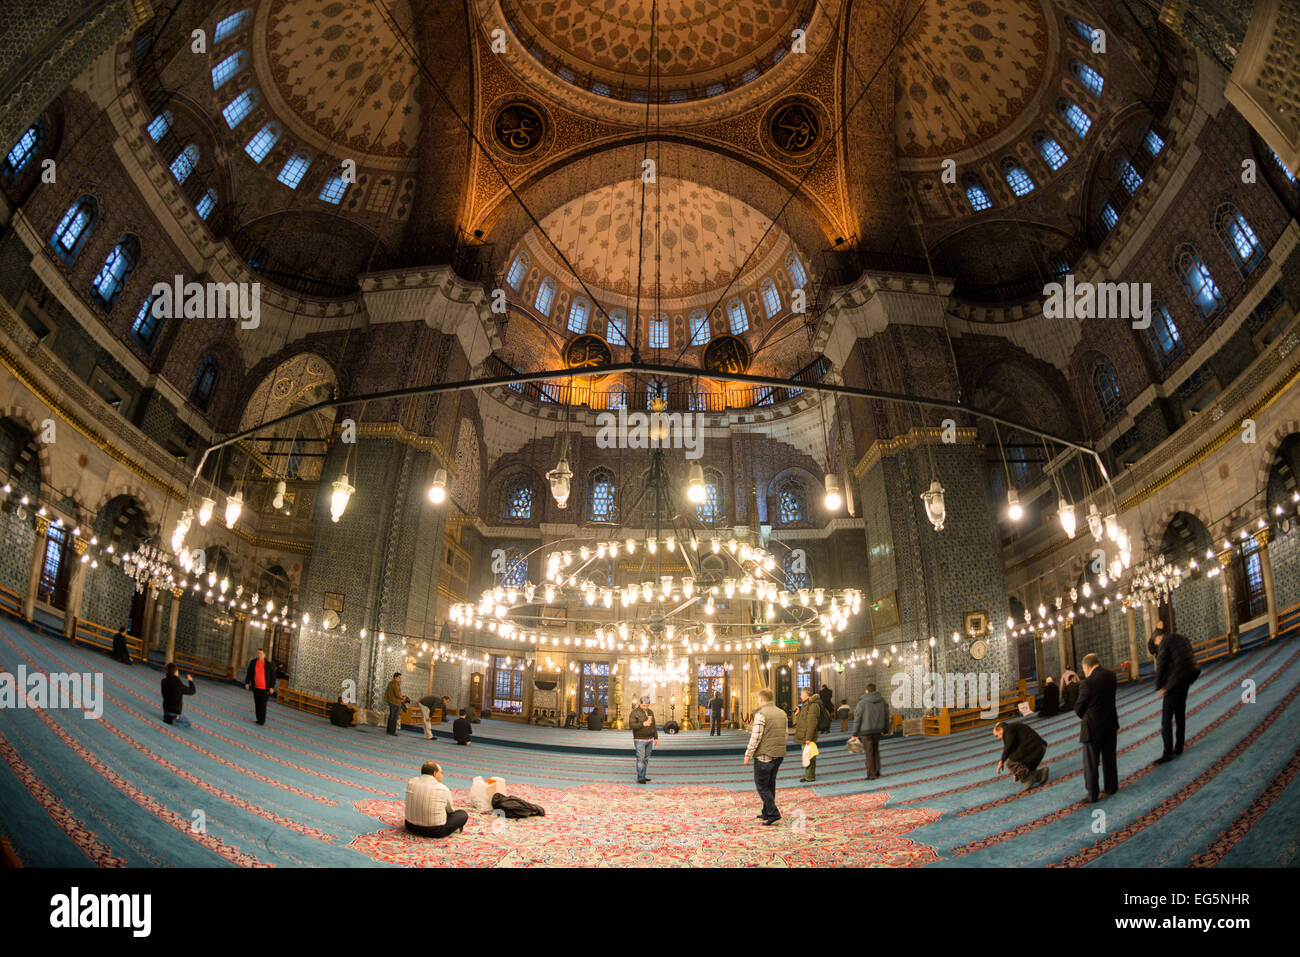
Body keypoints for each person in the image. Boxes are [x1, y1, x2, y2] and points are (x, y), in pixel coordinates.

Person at [1150, 619, 1200, 765]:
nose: (1157, 647)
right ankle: (1179, 747)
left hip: (1174, 684)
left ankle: (1167, 754)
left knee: (1166, 720)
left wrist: (1159, 686)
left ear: (1158, 638)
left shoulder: (1164, 642)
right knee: (1180, 714)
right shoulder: (1182, 638)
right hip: (1186, 679)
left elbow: (1161, 665)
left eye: (1156, 644)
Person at [1075, 653, 1119, 803]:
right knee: (1109, 758)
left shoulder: (1088, 682)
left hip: (1092, 728)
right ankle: (1111, 787)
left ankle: (1092, 795)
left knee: (1091, 763)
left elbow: (1078, 708)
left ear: (1087, 666)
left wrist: (1089, 715)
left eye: (1084, 669)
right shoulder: (1111, 675)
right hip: (1110, 724)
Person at [743, 688, 788, 825]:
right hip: (778, 755)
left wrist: (748, 754)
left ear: (761, 699)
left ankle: (773, 813)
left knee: (762, 785)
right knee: (770, 784)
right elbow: (785, 734)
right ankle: (766, 812)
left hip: (764, 755)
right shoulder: (782, 713)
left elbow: (755, 736)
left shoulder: (761, 714)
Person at [404, 761, 468, 839]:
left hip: (410, 826)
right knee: (462, 814)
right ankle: (454, 829)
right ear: (435, 773)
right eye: (441, 773)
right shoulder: (443, 789)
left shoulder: (411, 782)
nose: (442, 775)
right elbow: (450, 811)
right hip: (435, 831)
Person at [849, 683, 891, 780]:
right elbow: (886, 716)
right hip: (878, 731)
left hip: (866, 731)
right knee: (875, 751)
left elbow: (857, 719)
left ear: (867, 690)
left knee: (869, 753)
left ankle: (871, 774)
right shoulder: (882, 701)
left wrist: (855, 733)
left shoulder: (862, 703)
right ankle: (877, 771)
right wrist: (886, 729)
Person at [993, 720, 1049, 791]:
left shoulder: (1008, 729)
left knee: (1010, 763)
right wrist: (1017, 773)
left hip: (1033, 749)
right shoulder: (1014, 728)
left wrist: (1002, 760)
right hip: (1040, 748)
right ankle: (1041, 773)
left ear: (1001, 729)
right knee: (1022, 768)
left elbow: (1008, 747)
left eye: (997, 735)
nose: (998, 738)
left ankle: (1028, 779)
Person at [793, 687, 823, 782]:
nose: (800, 695)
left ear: (807, 694)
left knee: (809, 756)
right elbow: (805, 720)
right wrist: (798, 713)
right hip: (805, 735)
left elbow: (812, 723)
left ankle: (810, 777)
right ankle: (808, 775)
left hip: (807, 736)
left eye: (802, 693)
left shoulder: (813, 705)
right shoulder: (807, 704)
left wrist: (808, 738)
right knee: (807, 756)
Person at [243, 649, 278, 726]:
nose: (259, 655)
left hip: (265, 689)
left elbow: (273, 676)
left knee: (263, 704)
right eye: (258, 653)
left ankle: (262, 720)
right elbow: (249, 673)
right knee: (257, 703)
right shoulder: (253, 663)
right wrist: (247, 682)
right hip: (256, 687)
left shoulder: (268, 664)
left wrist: (272, 687)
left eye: (261, 654)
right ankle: (258, 719)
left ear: (264, 655)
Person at [629, 695, 658, 783]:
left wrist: (656, 737)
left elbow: (653, 725)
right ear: (640, 704)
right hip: (639, 739)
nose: (646, 707)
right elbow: (631, 725)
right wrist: (642, 724)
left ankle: (643, 775)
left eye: (647, 705)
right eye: (644, 705)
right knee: (640, 759)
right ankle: (640, 778)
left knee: (646, 759)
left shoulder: (650, 712)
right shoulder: (634, 712)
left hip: (649, 739)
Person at [160, 662, 196, 727]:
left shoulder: (163, 681)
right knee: (188, 723)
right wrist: (190, 681)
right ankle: (172, 721)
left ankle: (169, 718)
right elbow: (192, 691)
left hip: (166, 710)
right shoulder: (178, 684)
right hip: (174, 712)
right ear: (176, 672)